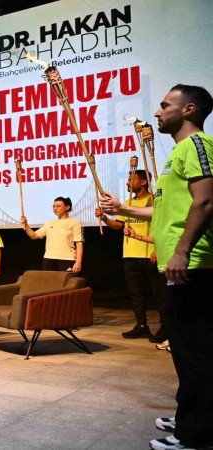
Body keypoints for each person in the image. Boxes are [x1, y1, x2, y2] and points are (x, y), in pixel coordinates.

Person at [99, 84, 213, 450]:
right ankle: (190, 416)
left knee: (195, 353)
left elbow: (206, 201)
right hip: (180, 264)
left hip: (193, 264)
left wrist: (182, 251)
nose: (158, 112)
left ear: (189, 109)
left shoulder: (197, 145)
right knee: (183, 350)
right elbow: (162, 209)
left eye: (165, 105)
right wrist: (122, 208)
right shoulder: (178, 152)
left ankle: (195, 435)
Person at [95, 170, 166, 342]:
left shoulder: (154, 201)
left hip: (150, 253)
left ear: (143, 182)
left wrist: (158, 248)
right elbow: (118, 226)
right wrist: (105, 218)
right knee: (136, 294)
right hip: (130, 253)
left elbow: (162, 226)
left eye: (131, 179)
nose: (127, 182)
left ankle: (166, 327)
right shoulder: (127, 203)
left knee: (159, 294)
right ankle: (141, 325)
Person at [21, 197, 84, 273]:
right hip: (49, 258)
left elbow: (79, 243)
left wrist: (78, 262)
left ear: (67, 207)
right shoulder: (49, 223)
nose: (55, 208)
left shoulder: (75, 223)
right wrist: (26, 224)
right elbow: (34, 236)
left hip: (67, 259)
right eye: (53, 206)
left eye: (58, 206)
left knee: (65, 281)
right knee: (49, 281)